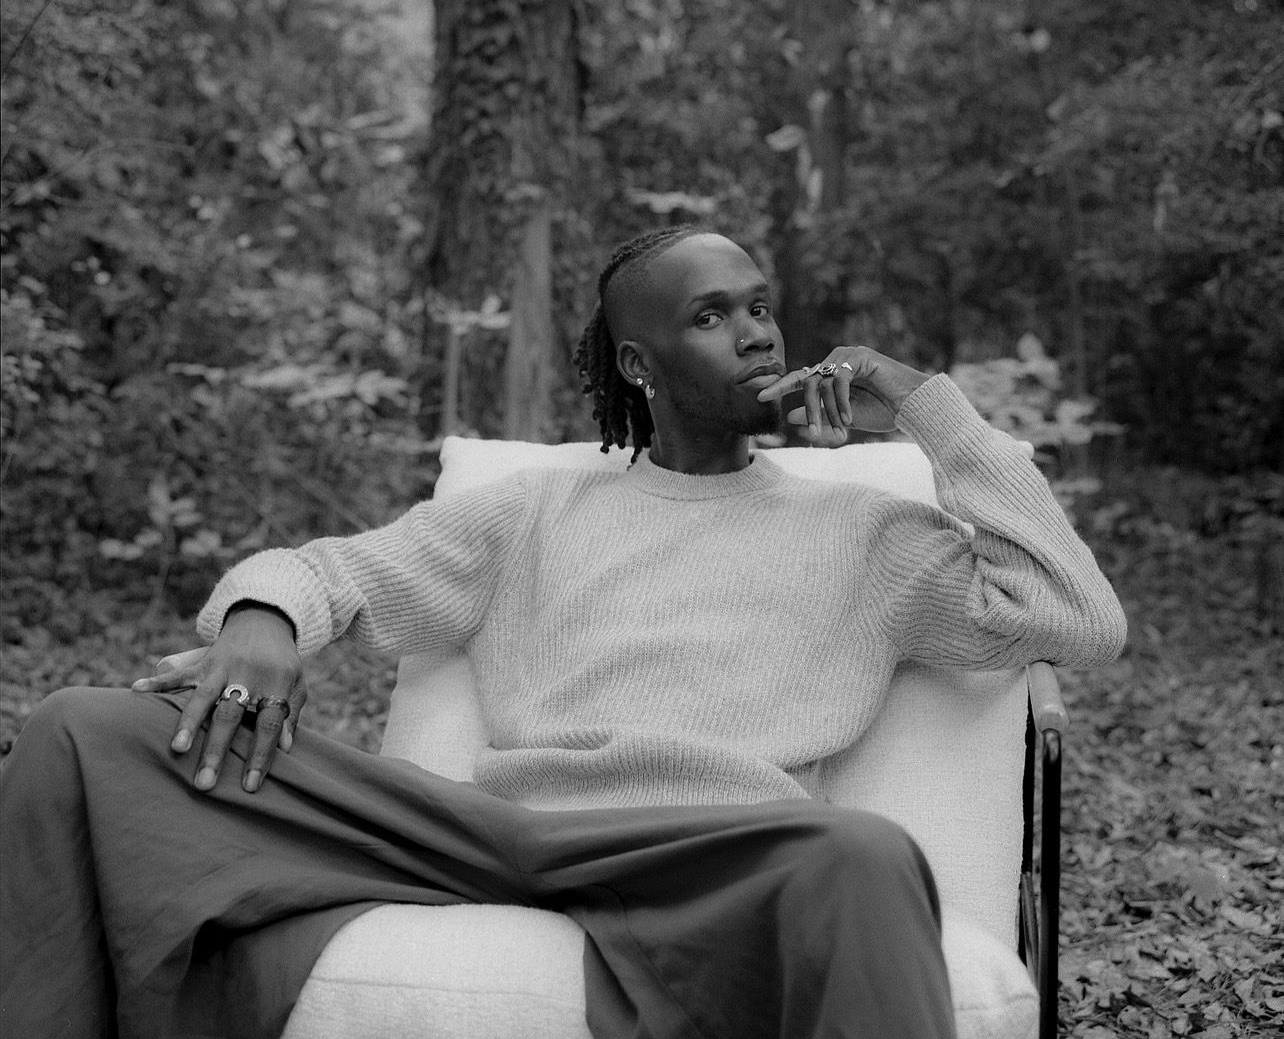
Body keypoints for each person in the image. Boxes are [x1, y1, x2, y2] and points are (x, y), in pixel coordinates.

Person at [0, 226, 1127, 1039]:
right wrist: (261, 619)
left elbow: (1079, 618)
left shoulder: (869, 531)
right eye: (709, 315)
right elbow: (333, 570)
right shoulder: (531, 508)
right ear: (638, 365)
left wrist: (924, 407)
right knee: (81, 732)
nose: (756, 334)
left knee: (867, 855)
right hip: (485, 839)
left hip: (709, 851)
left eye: (758, 304)